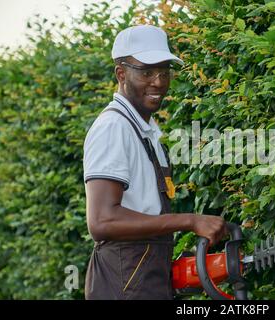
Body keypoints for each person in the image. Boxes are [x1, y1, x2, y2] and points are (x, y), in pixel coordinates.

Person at [83, 25, 228, 300]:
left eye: (164, 72)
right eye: (146, 72)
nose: (159, 82)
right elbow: (102, 221)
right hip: (123, 285)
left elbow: (144, 213)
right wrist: (190, 221)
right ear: (121, 74)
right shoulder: (114, 127)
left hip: (143, 279)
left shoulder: (144, 132)